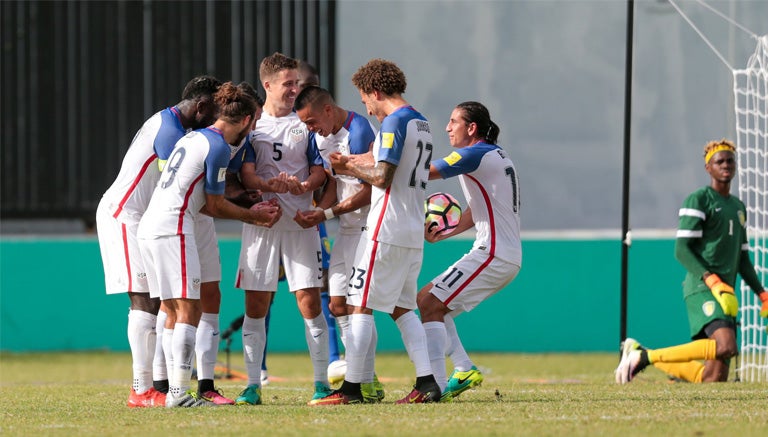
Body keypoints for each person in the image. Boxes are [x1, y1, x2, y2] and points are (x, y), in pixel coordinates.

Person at [137, 82, 281, 407]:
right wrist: (253, 216)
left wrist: (246, 206)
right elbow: (214, 207)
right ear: (245, 120)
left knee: (175, 309)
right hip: (174, 227)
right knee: (190, 308)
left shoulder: (193, 137)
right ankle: (177, 393)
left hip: (153, 226)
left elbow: (202, 199)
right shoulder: (216, 146)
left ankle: (177, 389)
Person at [310, 58, 440, 405]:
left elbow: (383, 176)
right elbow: (381, 159)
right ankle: (427, 383)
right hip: (411, 228)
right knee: (402, 307)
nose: (365, 106)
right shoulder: (421, 123)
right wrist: (350, 161)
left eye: (365, 99)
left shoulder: (393, 122)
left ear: (375, 92)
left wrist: (350, 170)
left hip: (386, 227)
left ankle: (351, 389)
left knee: (359, 304)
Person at [96, 75, 221, 408]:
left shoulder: (172, 123)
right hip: (124, 215)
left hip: (141, 219)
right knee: (145, 302)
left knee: (156, 301)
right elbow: (175, 183)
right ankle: (140, 389)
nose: (216, 121)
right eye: (214, 112)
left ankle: (155, 387)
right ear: (202, 106)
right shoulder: (170, 131)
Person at [615, 139, 768, 384]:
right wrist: (711, 279)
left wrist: (762, 293)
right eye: (720, 161)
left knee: (713, 379)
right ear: (708, 168)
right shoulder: (699, 199)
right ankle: (644, 358)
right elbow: (681, 250)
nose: (726, 165)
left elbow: (743, 259)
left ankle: (642, 352)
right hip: (702, 288)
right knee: (727, 345)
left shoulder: (738, 207)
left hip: (726, 292)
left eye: (730, 161)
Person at [234, 52, 330, 406]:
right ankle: (252, 385)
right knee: (256, 304)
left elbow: (319, 171)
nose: (294, 89)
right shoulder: (252, 125)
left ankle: (321, 383)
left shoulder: (304, 123)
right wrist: (269, 186)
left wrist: (303, 188)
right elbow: (245, 173)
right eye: (288, 84)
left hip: (300, 224)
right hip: (262, 224)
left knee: (309, 302)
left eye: (297, 83)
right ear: (268, 85)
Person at [417, 101, 522, 401]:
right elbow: (479, 209)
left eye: (453, 122)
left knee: (429, 302)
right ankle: (462, 367)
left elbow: (426, 171)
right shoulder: (493, 155)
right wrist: (446, 232)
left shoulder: (474, 153)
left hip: (494, 254)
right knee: (430, 302)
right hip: (500, 253)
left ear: (471, 128)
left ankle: (434, 386)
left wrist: (384, 163)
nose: (447, 128)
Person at [293, 85, 382, 400]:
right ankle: (367, 378)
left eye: (312, 121)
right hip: (346, 229)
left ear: (328, 110)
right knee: (338, 304)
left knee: (361, 307)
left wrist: (327, 212)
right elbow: (333, 183)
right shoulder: (321, 137)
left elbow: (371, 189)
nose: (310, 129)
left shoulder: (358, 132)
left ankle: (365, 383)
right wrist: (319, 211)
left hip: (368, 229)